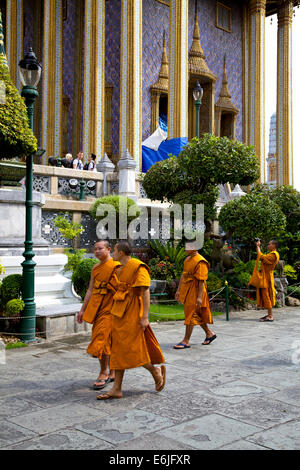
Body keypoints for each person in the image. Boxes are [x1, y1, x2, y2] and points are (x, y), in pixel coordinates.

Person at [97, 241, 166, 400]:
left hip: (134, 312)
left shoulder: (138, 266)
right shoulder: (118, 268)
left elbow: (145, 291)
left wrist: (145, 317)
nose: (112, 253)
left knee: (133, 349)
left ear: (121, 252)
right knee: (118, 350)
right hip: (119, 312)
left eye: (113, 251)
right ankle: (117, 388)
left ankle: (155, 371)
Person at [77, 240, 120, 390]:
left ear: (109, 249)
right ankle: (111, 371)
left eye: (100, 248)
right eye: (95, 249)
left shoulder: (116, 266)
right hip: (98, 307)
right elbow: (90, 289)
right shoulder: (95, 268)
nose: (97, 251)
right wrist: (83, 309)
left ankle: (104, 372)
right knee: (104, 338)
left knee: (103, 338)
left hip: (112, 308)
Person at [173, 242, 216, 349]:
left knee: (190, 314)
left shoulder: (200, 261)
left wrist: (200, 297)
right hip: (188, 289)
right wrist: (178, 290)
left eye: (188, 247)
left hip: (197, 291)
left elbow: (201, 281)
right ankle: (209, 334)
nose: (185, 249)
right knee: (196, 314)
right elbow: (183, 276)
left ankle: (186, 341)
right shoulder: (187, 260)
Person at [255, 239, 280, 322]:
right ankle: (269, 314)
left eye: (270, 244)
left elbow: (261, 257)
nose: (268, 246)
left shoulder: (274, 255)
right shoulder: (272, 254)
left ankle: (270, 316)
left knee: (267, 295)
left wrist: (258, 246)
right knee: (266, 295)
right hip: (266, 276)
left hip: (267, 277)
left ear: (274, 245)